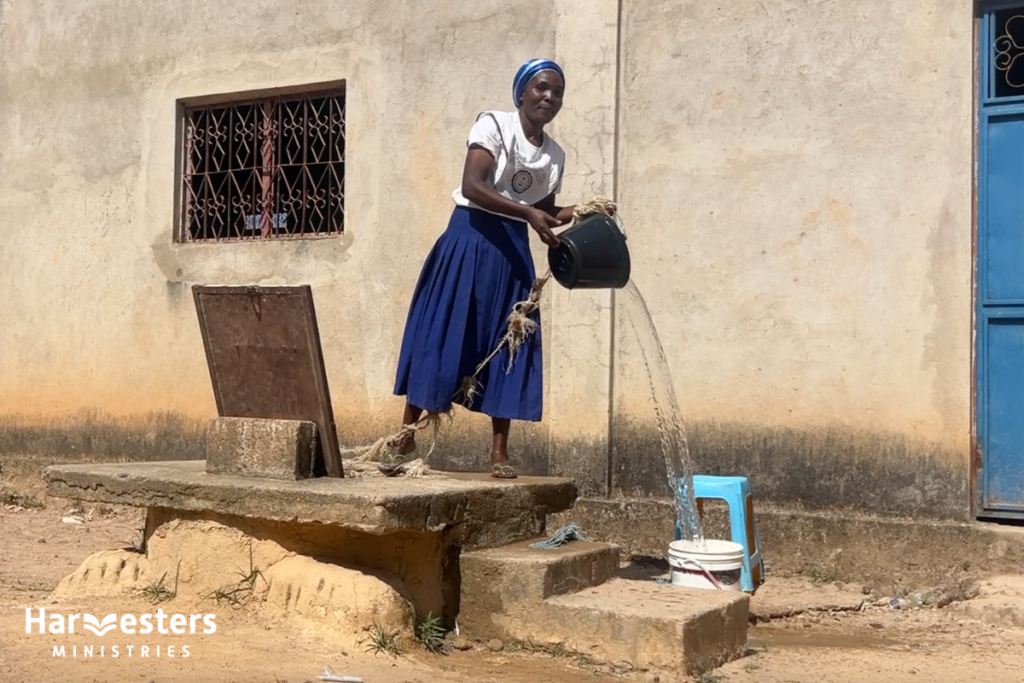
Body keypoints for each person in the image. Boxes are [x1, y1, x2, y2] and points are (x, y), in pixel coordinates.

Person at [391, 58, 582, 479]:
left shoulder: (554, 155)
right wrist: (529, 214)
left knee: (510, 342)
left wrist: (581, 212)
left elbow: (545, 209)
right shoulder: (493, 126)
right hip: (469, 239)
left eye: (557, 93)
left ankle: (499, 453)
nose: (549, 97)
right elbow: (475, 185)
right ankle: (403, 438)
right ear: (521, 93)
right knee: (441, 333)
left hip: (513, 252)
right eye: (541, 88)